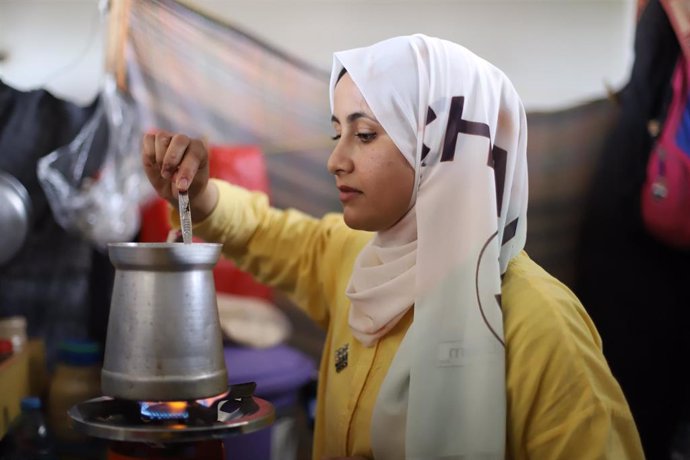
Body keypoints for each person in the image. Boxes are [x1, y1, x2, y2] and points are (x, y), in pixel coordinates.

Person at [142, 34, 644, 460]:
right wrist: (199, 193)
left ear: (442, 149)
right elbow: (265, 233)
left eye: (364, 134)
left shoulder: (537, 322)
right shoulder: (358, 258)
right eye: (337, 133)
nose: (335, 160)